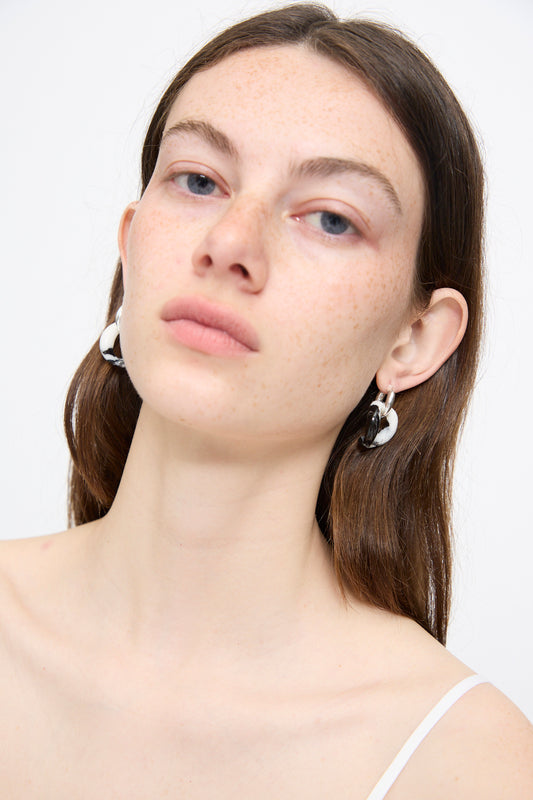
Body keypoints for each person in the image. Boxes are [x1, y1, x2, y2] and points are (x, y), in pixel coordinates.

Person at [0, 3, 531, 797]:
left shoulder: (467, 762)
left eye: (329, 218)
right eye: (198, 180)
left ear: (413, 340)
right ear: (132, 238)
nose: (229, 245)